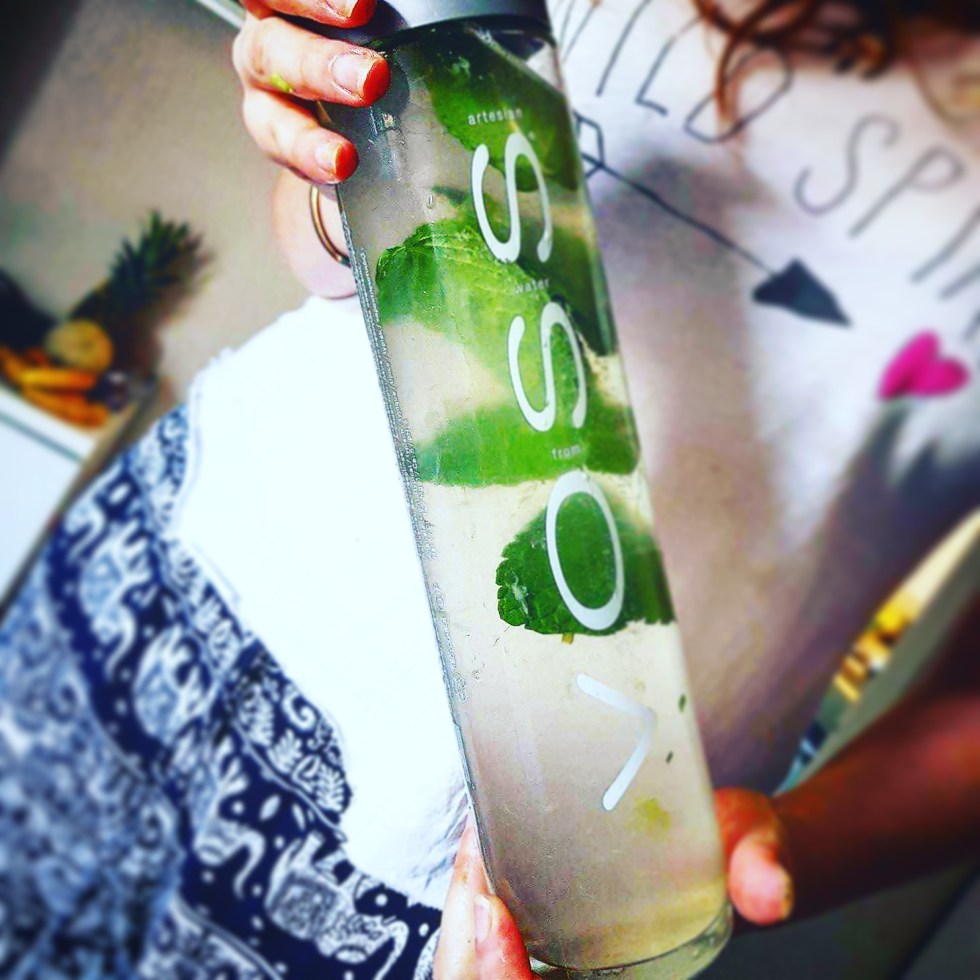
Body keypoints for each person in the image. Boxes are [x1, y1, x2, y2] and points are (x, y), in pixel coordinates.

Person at [0, 0, 977, 977]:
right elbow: (333, 236)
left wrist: (788, 845)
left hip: (510, 865)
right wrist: (337, 156)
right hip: (161, 587)